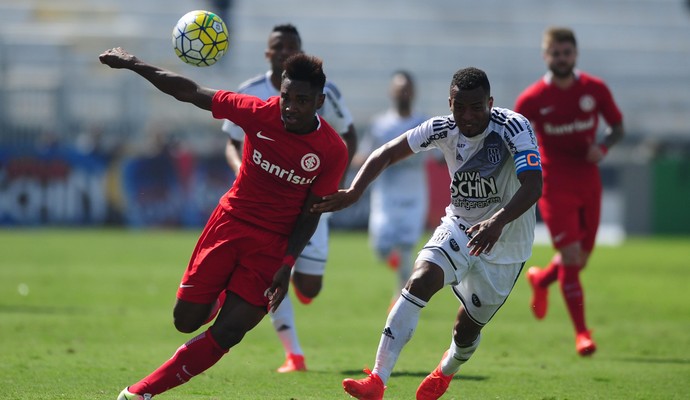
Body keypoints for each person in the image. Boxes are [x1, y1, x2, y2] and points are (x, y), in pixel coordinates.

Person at [99, 47, 348, 399]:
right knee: (184, 321)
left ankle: (139, 392)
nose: (291, 107)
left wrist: (287, 264)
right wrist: (133, 64)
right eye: (286, 98)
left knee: (230, 332)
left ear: (320, 101)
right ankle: (217, 294)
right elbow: (190, 92)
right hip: (228, 227)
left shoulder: (331, 150)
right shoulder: (257, 113)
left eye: (302, 101)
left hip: (272, 247)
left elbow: (311, 213)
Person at [313, 67, 542, 400]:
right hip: (460, 227)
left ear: (490, 103)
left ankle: (446, 369)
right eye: (459, 107)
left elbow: (534, 184)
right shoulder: (442, 128)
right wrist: (354, 191)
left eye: (476, 107)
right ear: (450, 102)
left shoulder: (512, 127)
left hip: (506, 239)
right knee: (419, 279)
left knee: (467, 329)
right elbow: (388, 152)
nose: (467, 116)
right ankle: (377, 380)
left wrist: (498, 222)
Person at [221, 23, 357, 373]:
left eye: (291, 46)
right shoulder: (250, 90)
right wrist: (242, 168)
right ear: (267, 53)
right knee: (270, 273)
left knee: (310, 287)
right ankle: (293, 354)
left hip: (308, 202)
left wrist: (332, 183)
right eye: (277, 46)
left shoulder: (322, 91)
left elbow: (348, 134)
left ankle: (297, 276)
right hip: (264, 205)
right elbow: (233, 141)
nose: (283, 52)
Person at [514, 26, 624, 356]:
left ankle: (542, 279)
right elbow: (513, 135)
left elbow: (617, 127)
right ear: (545, 56)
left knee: (580, 259)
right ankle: (582, 334)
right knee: (573, 258)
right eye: (555, 54)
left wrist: (603, 148)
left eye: (566, 53)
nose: (561, 59)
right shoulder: (532, 98)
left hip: (588, 181)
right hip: (554, 183)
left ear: (575, 54)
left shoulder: (595, 89)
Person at [353, 70, 429, 307]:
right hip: (386, 193)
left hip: (414, 192)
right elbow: (364, 155)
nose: (402, 93)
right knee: (381, 247)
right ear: (391, 92)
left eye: (406, 88)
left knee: (407, 245)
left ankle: (400, 296)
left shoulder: (423, 123)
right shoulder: (380, 125)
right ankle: (397, 265)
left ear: (413, 92)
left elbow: (439, 152)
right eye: (398, 89)